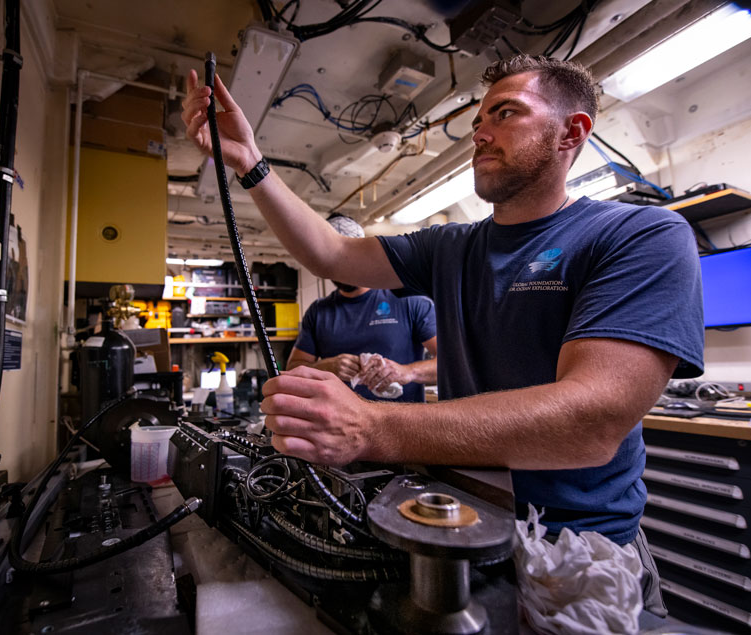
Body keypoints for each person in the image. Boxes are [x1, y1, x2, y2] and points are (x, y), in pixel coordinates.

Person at [182, 54, 704, 616]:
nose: (481, 132)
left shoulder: (640, 235)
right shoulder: (451, 246)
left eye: (505, 113)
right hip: (458, 526)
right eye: (478, 119)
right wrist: (251, 162)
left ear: (571, 132)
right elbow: (329, 251)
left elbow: (592, 421)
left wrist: (372, 426)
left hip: (579, 552)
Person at [286, 213, 437, 402]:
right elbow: (293, 370)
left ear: (360, 255)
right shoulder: (319, 312)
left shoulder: (407, 301)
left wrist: (407, 372)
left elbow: (450, 362)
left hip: (400, 425)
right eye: (332, 262)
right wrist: (326, 366)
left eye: (346, 260)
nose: (341, 271)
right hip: (336, 425)